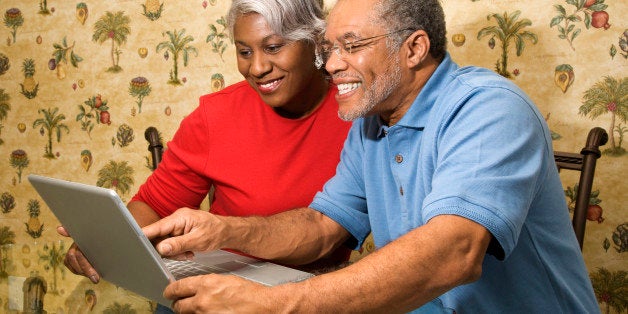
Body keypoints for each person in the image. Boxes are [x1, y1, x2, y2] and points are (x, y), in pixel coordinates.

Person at [140, 0, 601, 312]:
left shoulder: (488, 107)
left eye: (351, 46)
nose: (331, 64)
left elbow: (454, 252)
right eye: (328, 48)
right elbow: (322, 227)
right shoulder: (370, 123)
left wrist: (274, 303)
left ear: (414, 48)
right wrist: (224, 230)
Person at [59, 0, 351, 306]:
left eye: (274, 47)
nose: (258, 68)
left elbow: (326, 232)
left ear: (316, 40)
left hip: (306, 298)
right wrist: (107, 240)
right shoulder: (216, 115)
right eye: (244, 51)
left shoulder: (358, 114)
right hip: (210, 293)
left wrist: (227, 232)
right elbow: (154, 205)